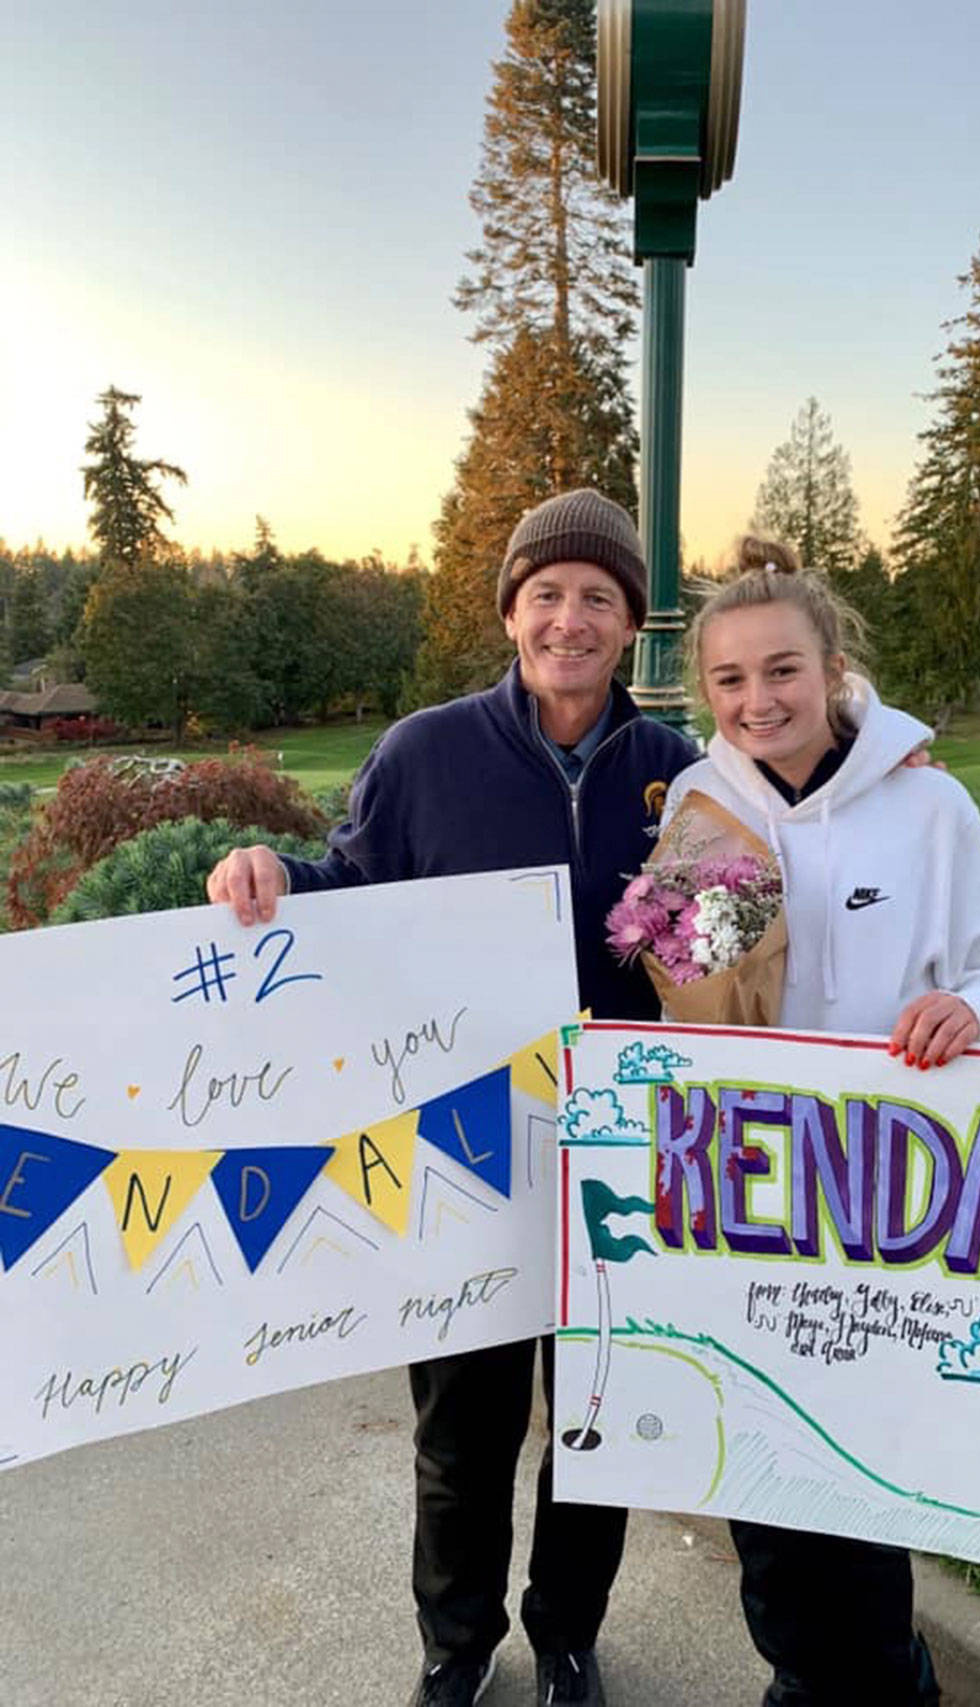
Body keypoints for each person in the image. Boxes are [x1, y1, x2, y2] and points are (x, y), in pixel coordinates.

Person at [207, 489, 697, 1707]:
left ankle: (566, 1639)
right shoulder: (427, 752)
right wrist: (273, 875)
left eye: (597, 598)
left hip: (619, 1154)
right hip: (459, 1150)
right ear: (512, 612)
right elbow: (351, 883)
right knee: (460, 1436)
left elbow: (721, 959)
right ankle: (456, 1646)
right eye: (546, 595)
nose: (569, 620)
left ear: (630, 620)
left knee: (590, 1420)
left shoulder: (676, 775)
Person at [663, 537, 980, 1707]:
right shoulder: (693, 804)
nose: (756, 700)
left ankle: (885, 1683)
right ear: (703, 693)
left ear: (832, 669)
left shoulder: (927, 803)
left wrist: (966, 1011)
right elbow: (676, 996)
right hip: (748, 1194)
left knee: (863, 1478)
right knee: (762, 1473)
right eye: (728, 681)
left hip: (887, 1195)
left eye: (781, 671)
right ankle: (800, 1679)